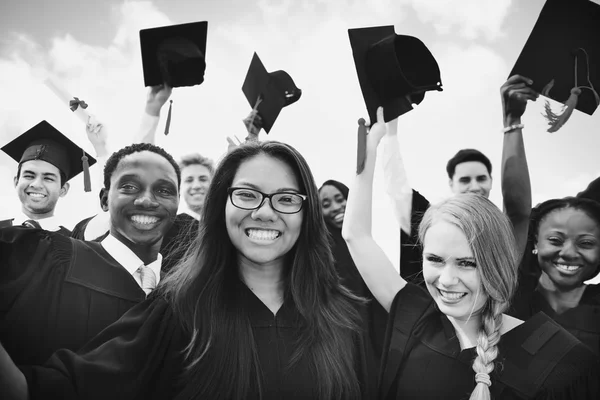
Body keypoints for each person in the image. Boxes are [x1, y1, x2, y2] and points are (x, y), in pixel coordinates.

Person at [0, 140, 372, 400]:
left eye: (287, 198)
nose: (265, 211)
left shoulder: (344, 317)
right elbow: (72, 385)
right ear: (220, 206)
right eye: (246, 194)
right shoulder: (180, 309)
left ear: (307, 215)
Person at [342, 107, 599, 399]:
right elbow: (355, 235)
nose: (447, 280)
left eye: (467, 263)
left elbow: (517, 209)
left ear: (499, 263)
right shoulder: (416, 314)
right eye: (435, 260)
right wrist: (374, 145)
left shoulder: (562, 362)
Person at [0, 142, 180, 366]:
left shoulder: (187, 292)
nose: (146, 200)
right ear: (104, 199)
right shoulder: (52, 260)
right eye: (130, 187)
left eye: (164, 190)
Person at [510, 197, 600, 355]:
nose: (569, 253)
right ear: (535, 243)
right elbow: (516, 207)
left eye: (586, 243)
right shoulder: (510, 302)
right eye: (555, 240)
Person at [0, 120, 97, 235]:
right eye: (29, 175)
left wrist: (101, 147)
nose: (36, 184)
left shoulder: (75, 245)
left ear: (63, 189)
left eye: (48, 178)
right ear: (16, 182)